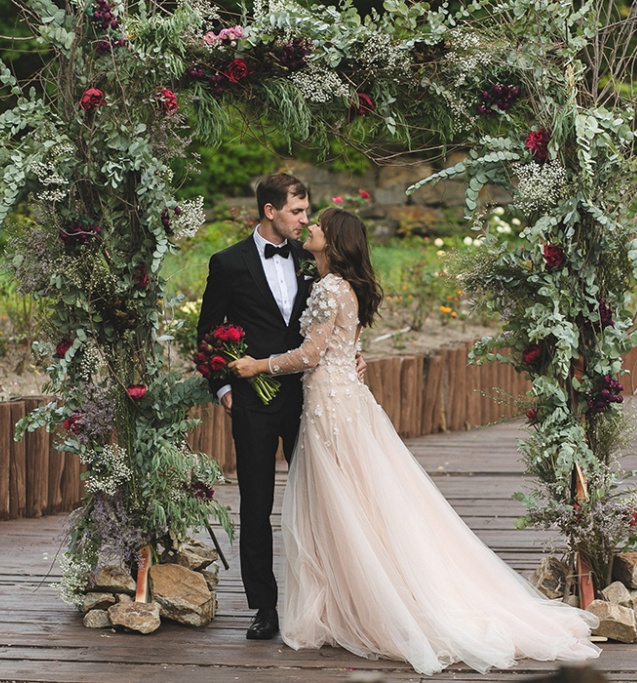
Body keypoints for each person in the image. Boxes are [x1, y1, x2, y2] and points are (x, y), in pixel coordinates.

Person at [229, 207, 601, 674]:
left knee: (343, 506)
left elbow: (310, 354)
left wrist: (257, 366)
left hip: (331, 407)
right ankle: (350, 601)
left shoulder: (328, 287)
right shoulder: (345, 286)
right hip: (344, 399)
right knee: (355, 504)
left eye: (319, 223)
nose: (312, 227)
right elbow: (344, 346)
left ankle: (367, 604)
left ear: (334, 240)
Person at [197, 174, 365, 640]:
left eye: (307, 212)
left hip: (308, 398)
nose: (305, 220)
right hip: (251, 400)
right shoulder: (228, 263)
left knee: (321, 498)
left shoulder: (311, 260)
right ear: (270, 211)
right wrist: (222, 388)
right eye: (297, 211)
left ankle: (329, 599)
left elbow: (334, 320)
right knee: (256, 505)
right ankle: (265, 608)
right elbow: (208, 331)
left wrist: (353, 354)